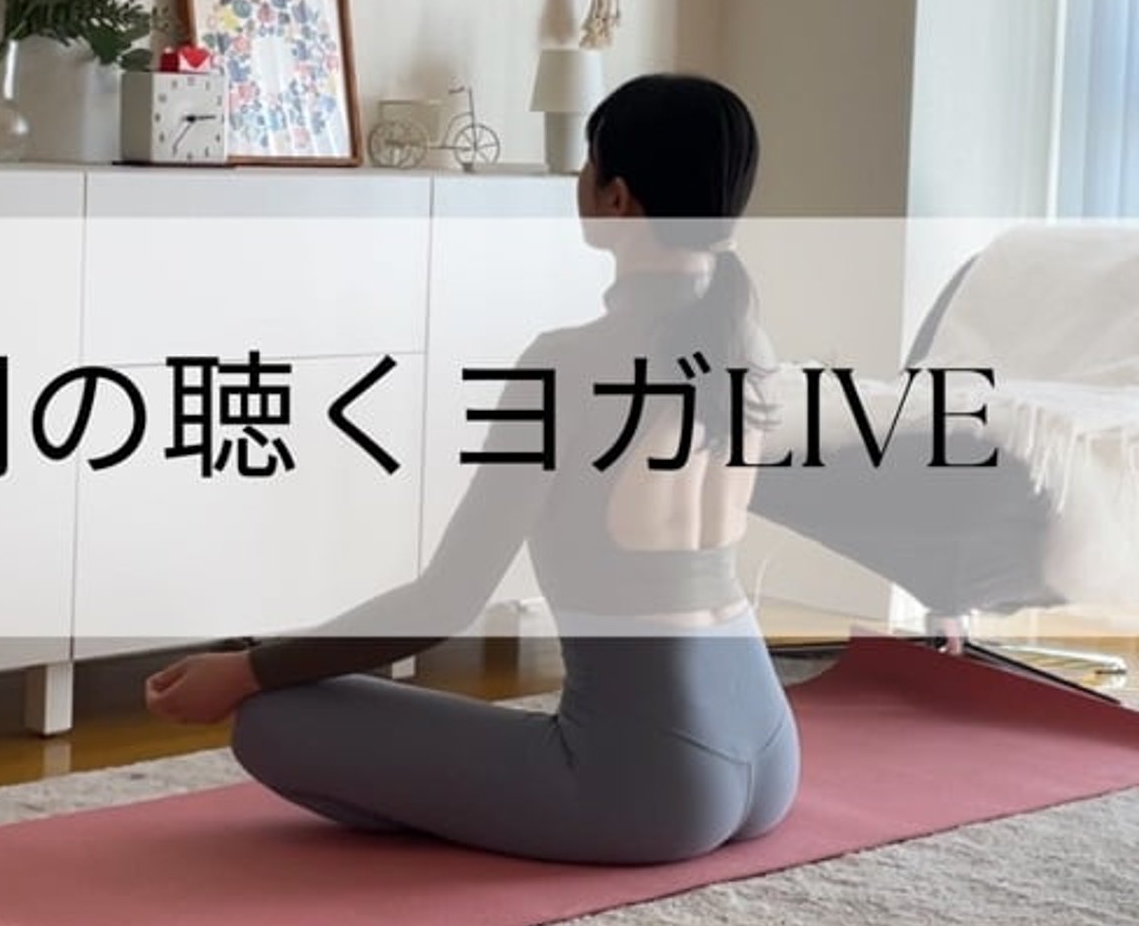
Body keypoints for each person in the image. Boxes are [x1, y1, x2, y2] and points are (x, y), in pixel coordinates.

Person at [145, 74, 800, 865]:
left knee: (272, 721)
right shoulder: (749, 344)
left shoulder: (567, 362)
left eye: (588, 163)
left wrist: (248, 670)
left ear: (617, 197)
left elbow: (448, 597)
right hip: (768, 748)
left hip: (648, 787)